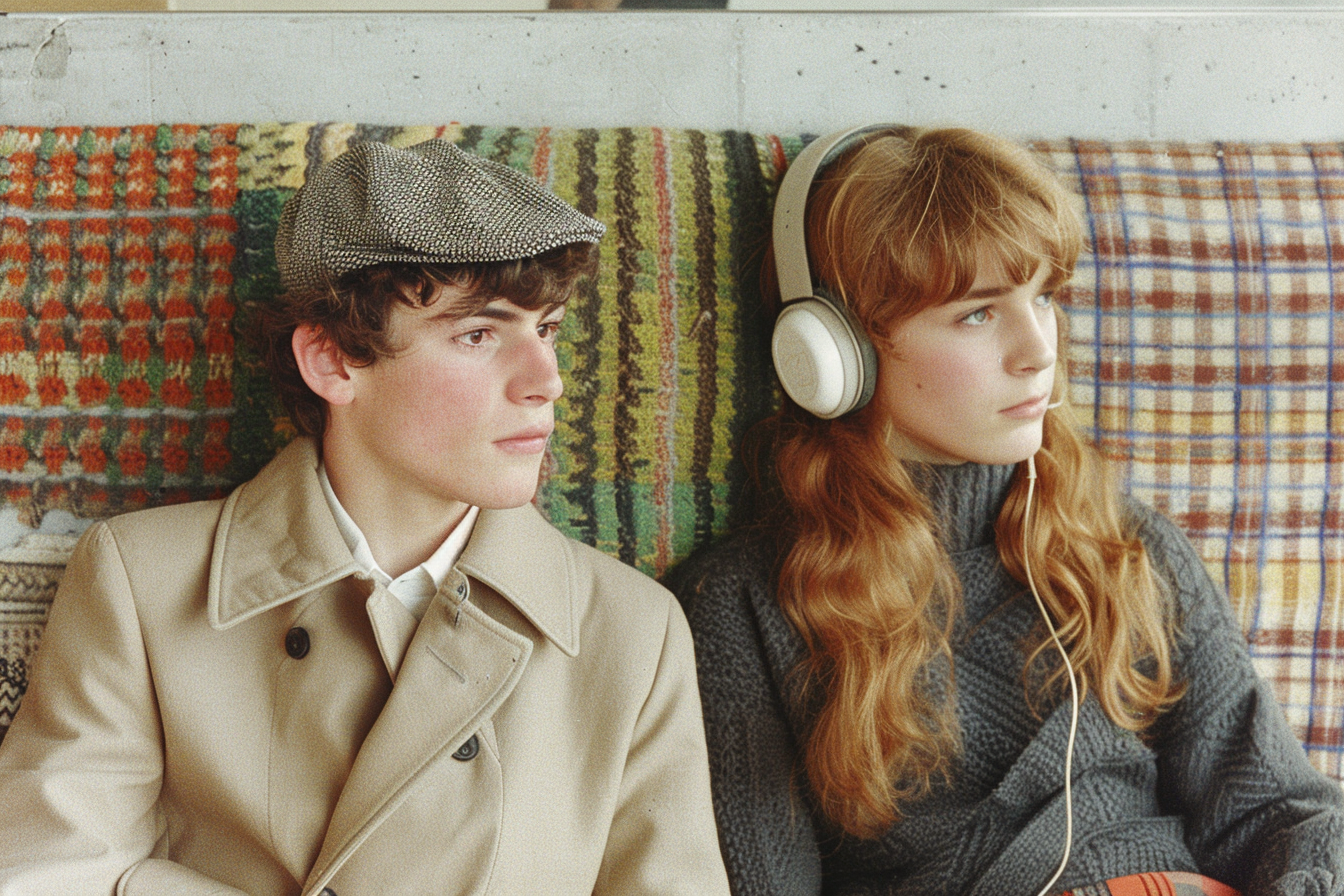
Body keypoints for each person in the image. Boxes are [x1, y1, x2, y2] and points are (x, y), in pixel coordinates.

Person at [0, 138, 731, 896]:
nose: (547, 380)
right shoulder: (141, 580)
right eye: (479, 335)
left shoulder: (636, 634)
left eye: (545, 330)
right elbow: (47, 873)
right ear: (331, 362)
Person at [667, 125, 1344, 896]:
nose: (1038, 347)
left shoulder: (1126, 548)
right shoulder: (746, 608)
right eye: (979, 314)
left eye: (1045, 297)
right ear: (834, 354)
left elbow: (1282, 811)